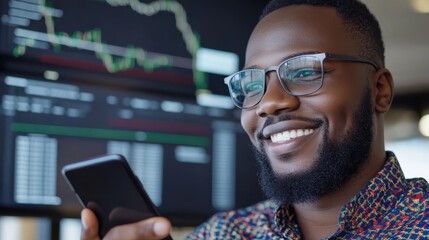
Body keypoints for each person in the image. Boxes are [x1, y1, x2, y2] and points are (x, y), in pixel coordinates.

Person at [81, 0, 429, 239]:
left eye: (306, 71)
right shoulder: (223, 233)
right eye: (251, 84)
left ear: (380, 90)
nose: (269, 103)